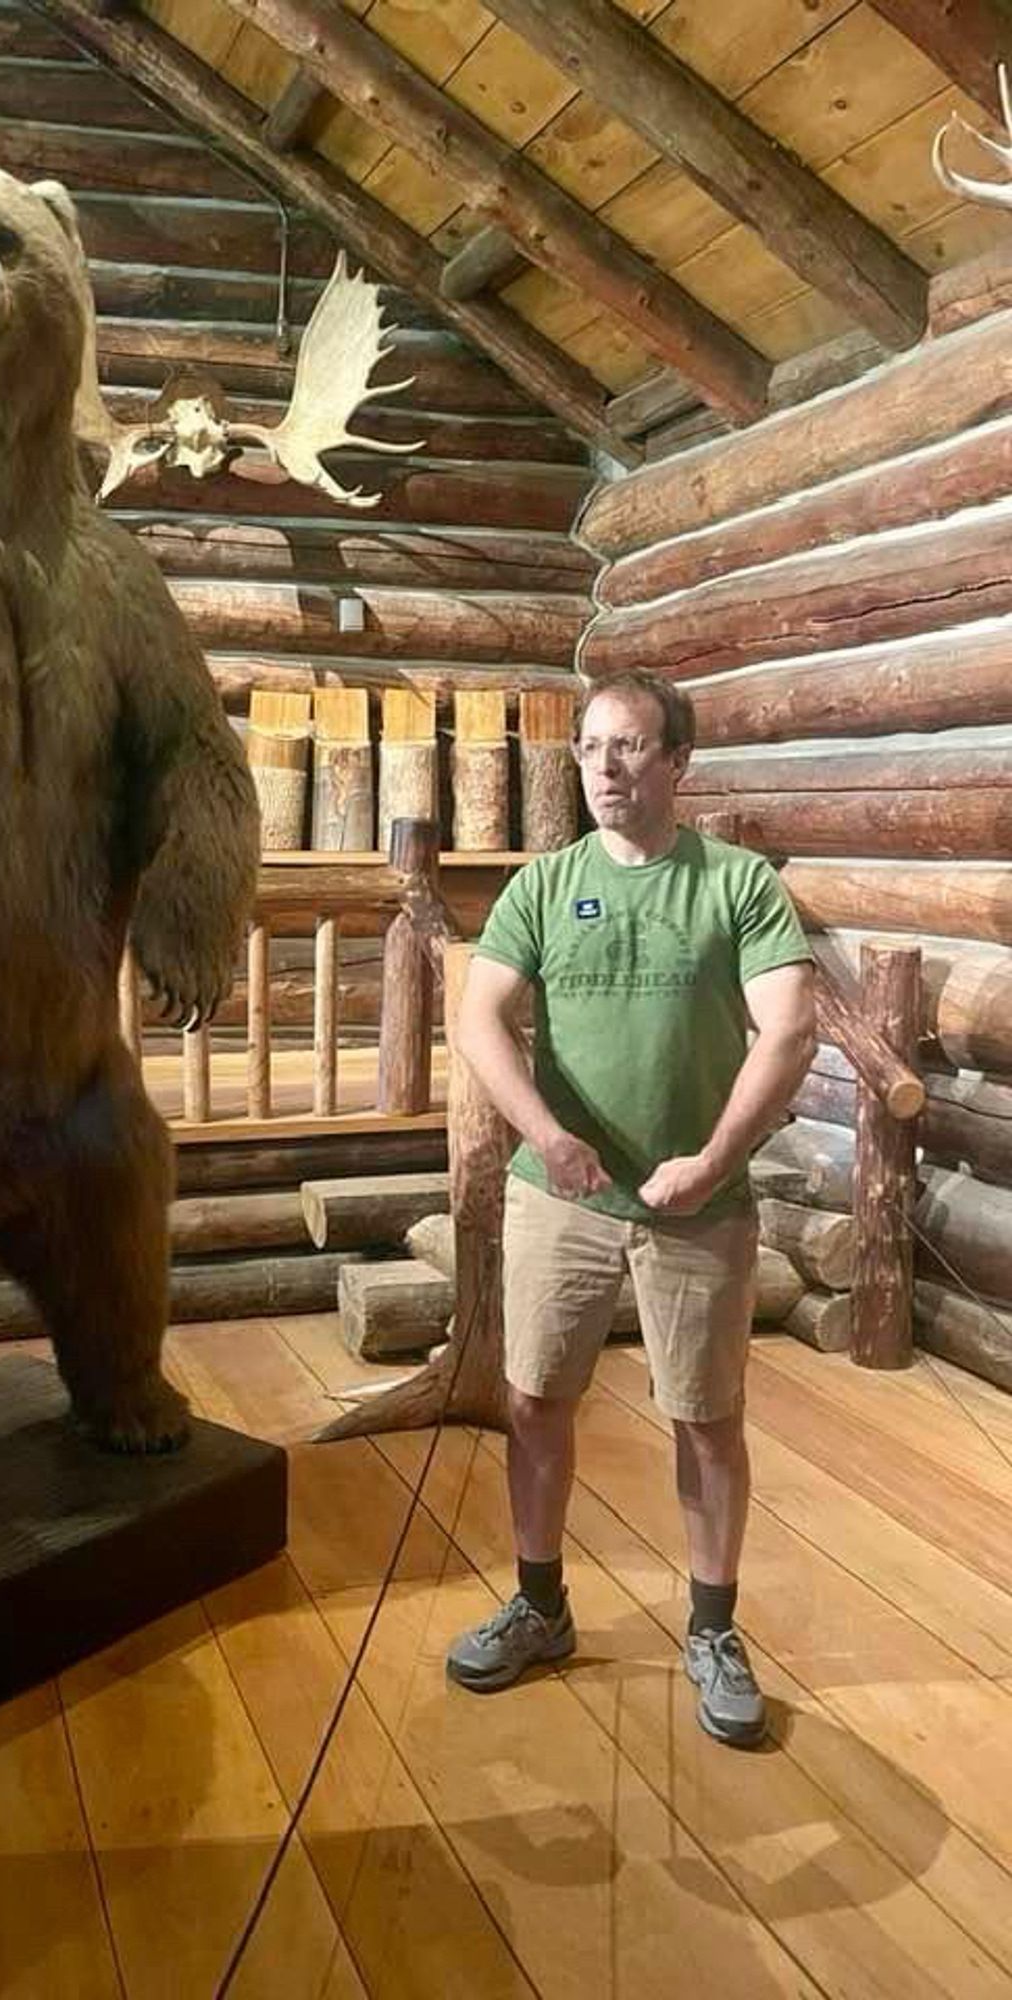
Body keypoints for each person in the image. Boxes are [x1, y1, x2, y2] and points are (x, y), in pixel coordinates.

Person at [444, 669, 816, 1747]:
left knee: (705, 1417)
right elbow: (480, 1020)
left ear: (678, 761)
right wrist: (544, 1134)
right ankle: (542, 1603)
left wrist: (710, 1158)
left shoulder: (737, 884)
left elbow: (788, 1030)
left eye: (631, 748)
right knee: (533, 1400)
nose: (605, 768)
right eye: (591, 748)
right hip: (562, 1194)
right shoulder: (544, 884)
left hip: (700, 1202)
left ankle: (711, 1626)